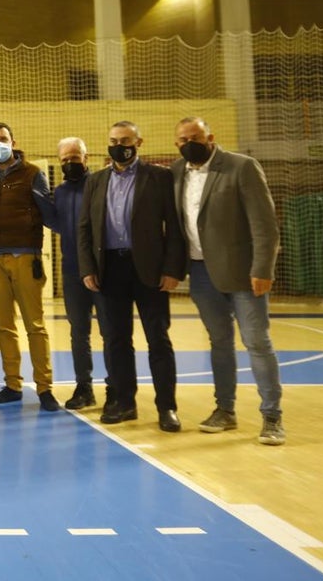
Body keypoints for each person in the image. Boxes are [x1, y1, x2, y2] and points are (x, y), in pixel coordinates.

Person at [172, 117, 285, 445]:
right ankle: (225, 410)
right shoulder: (177, 171)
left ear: (210, 137)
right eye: (181, 139)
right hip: (201, 273)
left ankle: (272, 416)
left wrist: (263, 269)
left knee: (257, 342)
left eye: (194, 137)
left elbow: (265, 225)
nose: (187, 142)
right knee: (219, 342)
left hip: (243, 273)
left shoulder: (242, 167)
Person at [79, 121, 185, 432]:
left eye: (125, 140)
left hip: (150, 270)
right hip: (109, 269)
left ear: (139, 142)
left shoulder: (160, 177)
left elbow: (175, 228)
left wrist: (172, 270)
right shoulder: (95, 181)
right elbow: (84, 228)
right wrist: (88, 268)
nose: (119, 145)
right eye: (113, 140)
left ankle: (167, 407)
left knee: (158, 340)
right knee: (115, 340)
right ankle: (124, 403)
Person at [0, 122, 60, 412]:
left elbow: (50, 213)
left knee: (35, 326)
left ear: (13, 141)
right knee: (4, 326)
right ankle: (12, 384)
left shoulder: (33, 174)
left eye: (3, 138)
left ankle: (45, 387)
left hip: (27, 256)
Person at [52, 136, 108, 410]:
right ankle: (84, 387)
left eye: (74, 158)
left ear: (85, 159)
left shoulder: (100, 185)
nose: (70, 163)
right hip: (72, 272)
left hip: (103, 271)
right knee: (79, 333)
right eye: (65, 160)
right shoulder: (59, 193)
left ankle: (117, 387)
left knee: (111, 332)